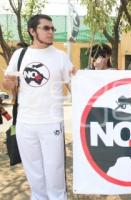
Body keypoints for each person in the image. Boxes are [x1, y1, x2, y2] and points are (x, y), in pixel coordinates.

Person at [2, 14, 75, 200]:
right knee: (34, 173)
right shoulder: (20, 55)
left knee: (55, 173)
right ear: (32, 31)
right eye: (46, 28)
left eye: (52, 29)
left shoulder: (60, 57)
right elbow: (9, 85)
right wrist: (8, 84)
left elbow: (76, 87)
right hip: (25, 124)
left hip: (51, 123)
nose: (51, 32)